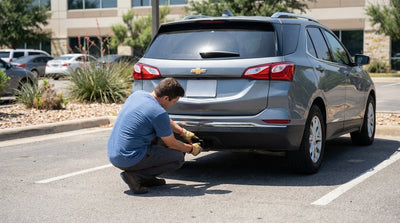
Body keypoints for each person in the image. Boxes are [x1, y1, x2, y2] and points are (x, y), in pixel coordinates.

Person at [107, 77, 202, 194]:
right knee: (177, 158)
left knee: (162, 137)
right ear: (166, 98)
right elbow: (171, 144)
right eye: (174, 101)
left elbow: (163, 119)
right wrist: (191, 149)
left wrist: (182, 132)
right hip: (129, 158)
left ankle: (146, 178)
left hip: (114, 153)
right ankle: (136, 176)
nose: (174, 104)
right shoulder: (158, 112)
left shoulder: (138, 95)